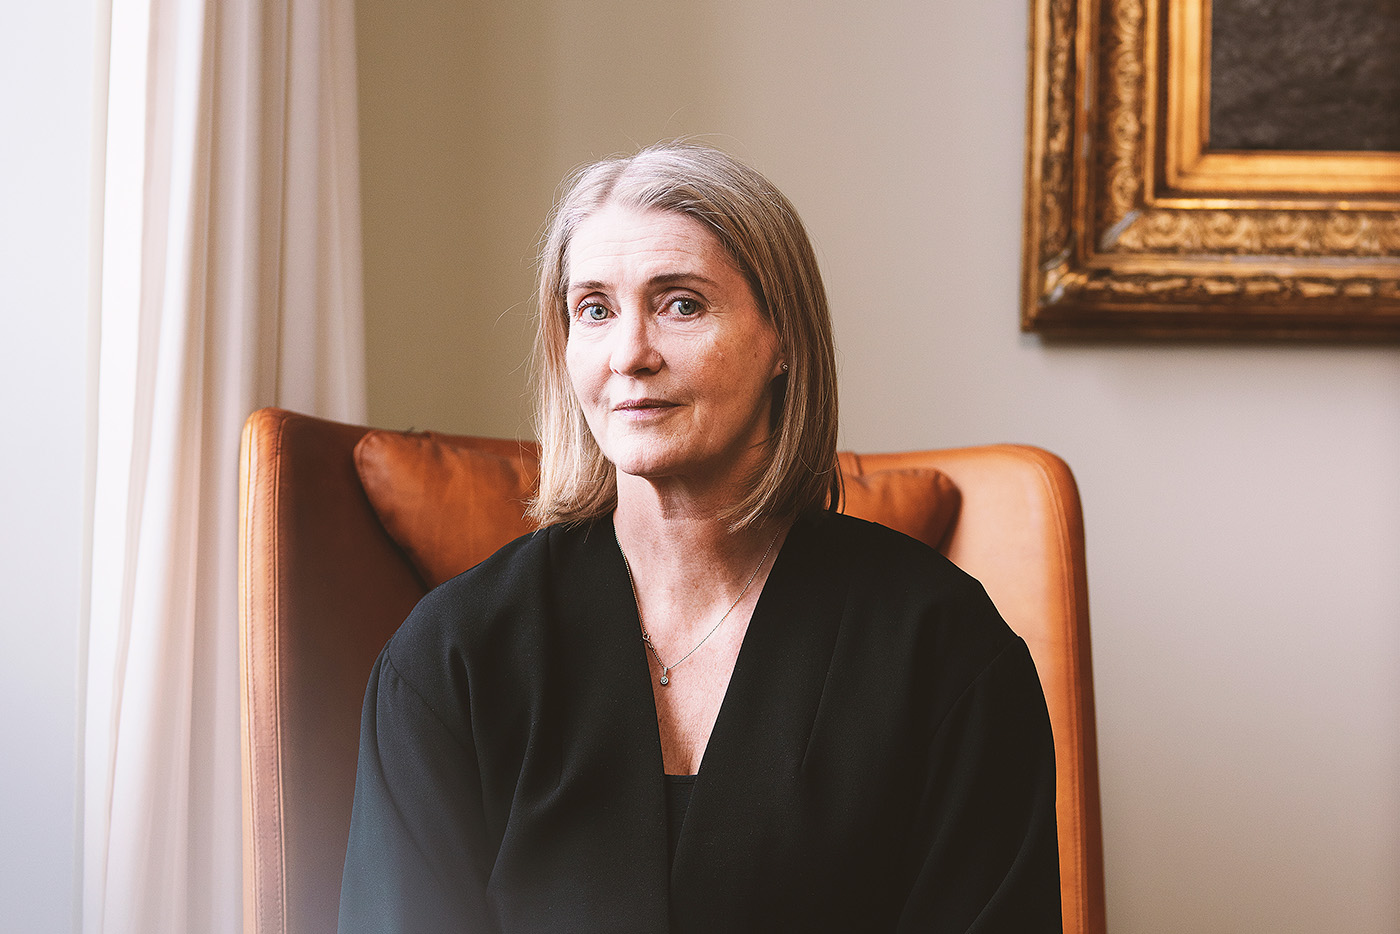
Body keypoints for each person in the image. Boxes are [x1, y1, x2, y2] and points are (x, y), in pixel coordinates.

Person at [338, 142, 1062, 933]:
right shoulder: (450, 656)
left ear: (783, 339)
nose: (630, 355)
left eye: (681, 304)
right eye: (595, 310)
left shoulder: (947, 649)